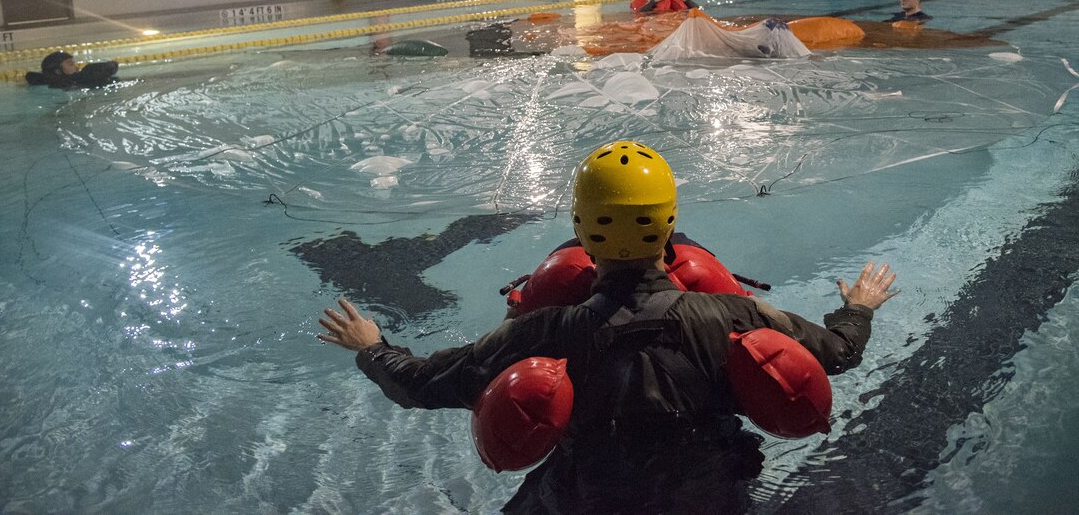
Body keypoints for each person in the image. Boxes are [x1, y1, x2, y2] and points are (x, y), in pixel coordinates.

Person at [318, 140, 898, 514]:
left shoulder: (541, 333)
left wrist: (372, 348)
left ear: (581, 232)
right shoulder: (734, 316)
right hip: (711, 497)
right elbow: (839, 352)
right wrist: (860, 306)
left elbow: (421, 385)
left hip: (586, 500)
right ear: (671, 228)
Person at [26, 50, 119, 88]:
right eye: (71, 64)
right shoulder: (78, 79)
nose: (77, 67)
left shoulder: (43, 81)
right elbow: (110, 67)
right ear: (57, 71)